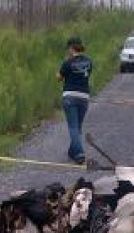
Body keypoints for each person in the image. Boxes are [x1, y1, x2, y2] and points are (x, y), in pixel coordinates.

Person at [57, 36, 93, 164]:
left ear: (71, 48)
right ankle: (72, 151)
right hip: (84, 97)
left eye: (69, 48)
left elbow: (59, 78)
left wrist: (64, 66)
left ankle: (79, 154)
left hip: (70, 96)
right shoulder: (89, 61)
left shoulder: (68, 62)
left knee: (73, 127)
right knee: (77, 126)